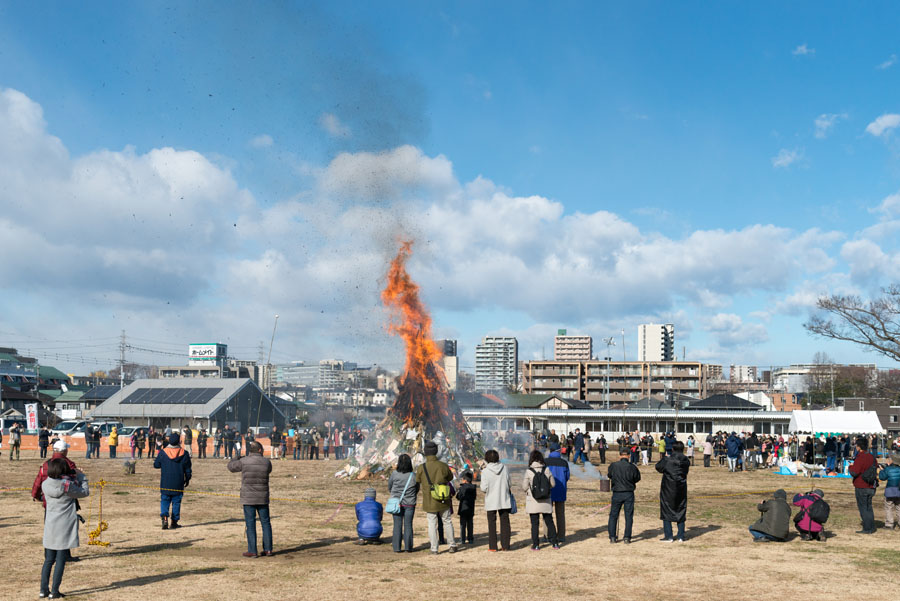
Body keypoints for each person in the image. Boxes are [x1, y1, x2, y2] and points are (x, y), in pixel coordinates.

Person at [40, 458, 89, 599]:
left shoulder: (45, 484)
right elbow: (84, 492)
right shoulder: (66, 485)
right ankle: (55, 591)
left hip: (51, 525)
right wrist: (81, 476)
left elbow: (60, 481)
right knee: (60, 559)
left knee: (49, 559)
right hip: (65, 525)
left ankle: (43, 590)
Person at [227, 440, 273, 557]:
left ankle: (252, 550)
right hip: (262, 498)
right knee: (266, 523)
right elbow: (269, 470)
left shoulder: (244, 461)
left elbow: (231, 467)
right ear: (259, 450)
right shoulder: (266, 462)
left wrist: (236, 457)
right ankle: (268, 549)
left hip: (248, 498)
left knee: (250, 523)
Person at [416, 440, 457, 554]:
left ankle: (434, 548)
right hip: (443, 497)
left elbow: (418, 480)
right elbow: (450, 477)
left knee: (431, 523)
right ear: (436, 451)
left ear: (425, 452)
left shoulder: (421, 467)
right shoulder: (443, 466)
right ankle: (452, 545)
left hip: (429, 499)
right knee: (447, 521)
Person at [154, 432, 192, 530]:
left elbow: (156, 465)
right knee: (176, 502)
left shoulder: (163, 452)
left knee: (165, 500)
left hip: (165, 482)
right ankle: (174, 522)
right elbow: (188, 469)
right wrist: (187, 479)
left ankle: (165, 517)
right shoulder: (184, 453)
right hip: (178, 482)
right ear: (179, 441)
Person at [523, 449, 558, 550]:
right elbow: (553, 484)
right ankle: (555, 543)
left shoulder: (529, 471)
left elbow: (524, 486)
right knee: (549, 521)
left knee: (534, 523)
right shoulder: (546, 470)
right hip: (546, 500)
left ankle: (536, 544)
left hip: (533, 501)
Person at [656, 440, 690, 542]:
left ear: (673, 449)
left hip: (668, 488)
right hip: (681, 487)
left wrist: (665, 458)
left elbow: (658, 467)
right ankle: (680, 536)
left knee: (666, 509)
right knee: (680, 509)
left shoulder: (668, 460)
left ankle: (669, 536)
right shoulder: (686, 461)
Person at [480, 449, 512, 552]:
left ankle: (493, 546)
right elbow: (509, 484)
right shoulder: (505, 468)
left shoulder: (485, 471)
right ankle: (505, 546)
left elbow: (483, 488)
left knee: (492, 524)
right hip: (504, 499)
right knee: (505, 523)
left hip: (491, 500)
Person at [608, 447, 641, 544]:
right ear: (629, 456)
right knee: (628, 516)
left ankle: (612, 537)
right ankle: (627, 537)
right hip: (628, 493)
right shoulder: (632, 467)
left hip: (617, 493)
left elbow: (610, 475)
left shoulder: (613, 465)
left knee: (613, 515)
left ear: (620, 455)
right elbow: (637, 478)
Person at [387, 453, 419, 552]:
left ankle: (396, 547)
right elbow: (417, 489)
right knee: (408, 525)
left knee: (397, 525)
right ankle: (408, 547)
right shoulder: (413, 475)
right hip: (410, 503)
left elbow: (390, 486)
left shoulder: (394, 474)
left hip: (396, 503)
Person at [848, 437, 878, 534]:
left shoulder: (860, 457)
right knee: (869, 507)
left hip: (862, 486)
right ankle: (871, 526)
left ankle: (867, 528)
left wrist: (850, 467)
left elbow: (855, 472)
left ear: (859, 447)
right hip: (871, 485)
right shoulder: (872, 456)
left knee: (863, 508)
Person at [544, 443, 570, 542]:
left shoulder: (545, 462)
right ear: (559, 451)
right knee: (560, 514)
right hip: (561, 491)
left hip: (547, 491)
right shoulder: (564, 463)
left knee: (546, 514)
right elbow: (567, 477)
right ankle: (561, 536)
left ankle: (547, 535)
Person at [879, 452, 900, 530]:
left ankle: (889, 524)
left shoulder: (888, 469)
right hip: (899, 490)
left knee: (889, 507)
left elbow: (882, 477)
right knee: (899, 507)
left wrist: (882, 470)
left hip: (890, 491)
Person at [455, 471, 476, 545]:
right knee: (470, 524)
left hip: (463, 509)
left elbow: (458, 497)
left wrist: (459, 491)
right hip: (471, 508)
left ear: (465, 480)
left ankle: (462, 539)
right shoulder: (474, 487)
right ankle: (470, 539)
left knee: (462, 525)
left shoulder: (462, 487)